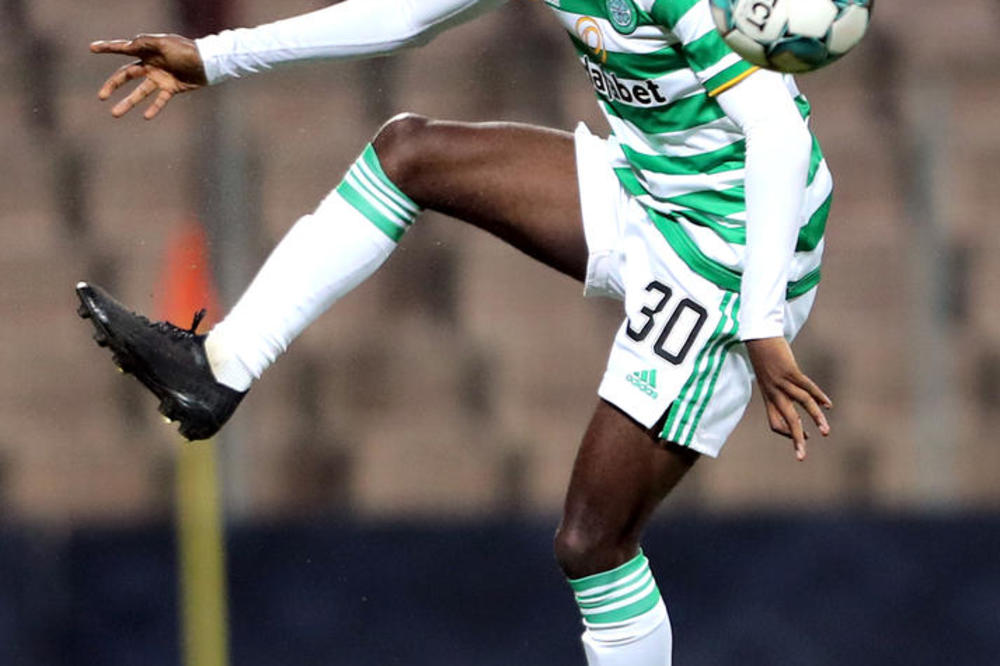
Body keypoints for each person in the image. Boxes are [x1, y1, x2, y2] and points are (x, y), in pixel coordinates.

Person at [77, 0, 834, 663]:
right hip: (648, 186)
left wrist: (760, 320)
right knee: (408, 153)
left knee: (592, 543)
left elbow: (777, 131)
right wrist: (216, 57)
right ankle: (220, 367)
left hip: (732, 253)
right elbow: (405, 14)